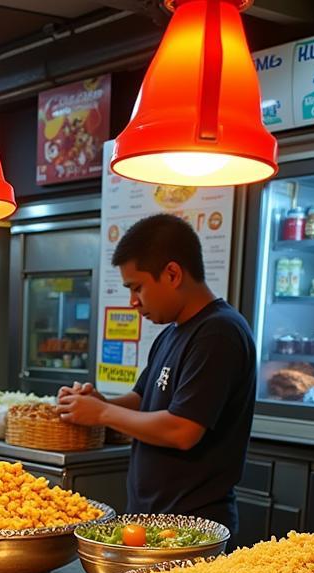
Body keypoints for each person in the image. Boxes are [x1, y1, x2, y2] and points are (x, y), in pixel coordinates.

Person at [56, 213, 255, 536]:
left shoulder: (219, 332)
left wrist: (103, 413)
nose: (133, 301)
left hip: (192, 524)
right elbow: (142, 399)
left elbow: (182, 429)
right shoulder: (173, 332)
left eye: (137, 287)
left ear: (172, 273)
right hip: (153, 517)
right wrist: (97, 402)